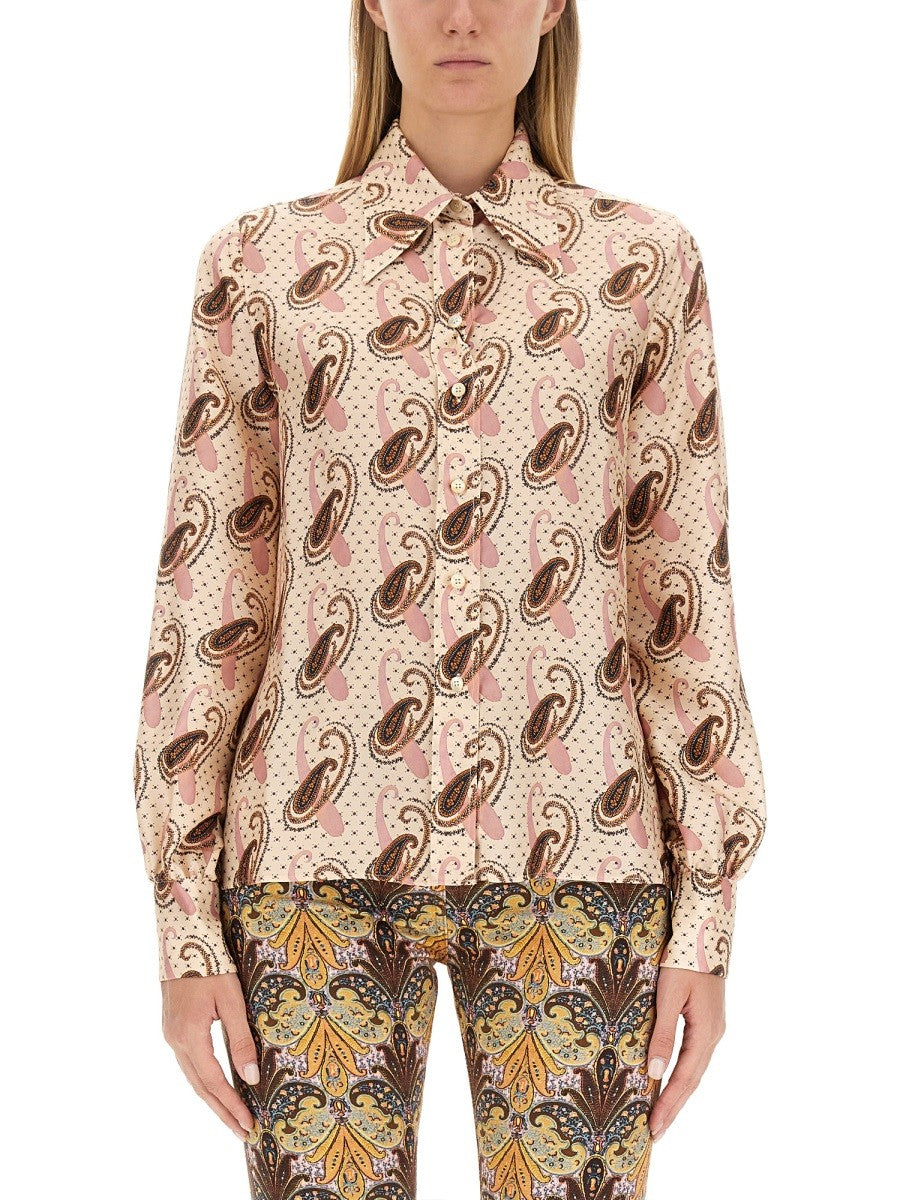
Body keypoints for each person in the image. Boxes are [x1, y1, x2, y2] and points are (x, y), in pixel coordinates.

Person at [131, 2, 768, 1197]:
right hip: (309, 864)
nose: (461, 15)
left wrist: (706, 917)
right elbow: (208, 602)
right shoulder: (263, 265)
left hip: (583, 857)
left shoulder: (640, 265)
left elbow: (681, 600)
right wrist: (183, 921)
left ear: (554, 5)